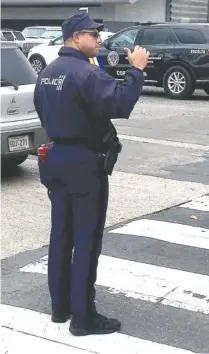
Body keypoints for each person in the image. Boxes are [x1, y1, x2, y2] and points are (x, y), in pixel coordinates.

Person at [33, 13, 149, 337]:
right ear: (75, 37)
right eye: (93, 35)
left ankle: (60, 307)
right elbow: (120, 103)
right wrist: (136, 70)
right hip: (84, 163)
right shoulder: (84, 71)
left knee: (61, 234)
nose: (98, 40)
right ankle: (83, 316)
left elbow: (42, 111)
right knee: (86, 238)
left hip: (56, 158)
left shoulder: (48, 73)